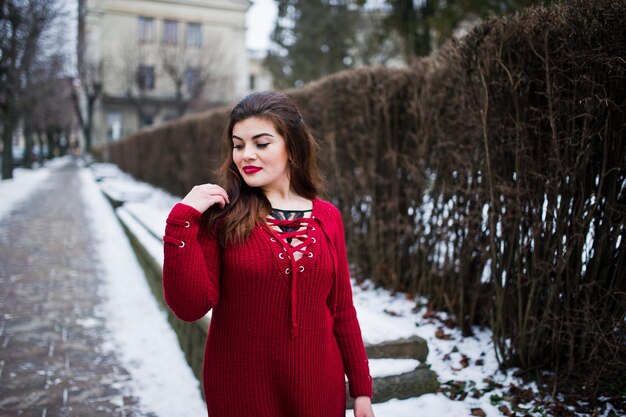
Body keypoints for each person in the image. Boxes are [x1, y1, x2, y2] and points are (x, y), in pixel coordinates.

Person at [162, 91, 375, 417]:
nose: (246, 155)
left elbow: (342, 310)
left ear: (292, 146)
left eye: (261, 144)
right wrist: (180, 223)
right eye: (238, 144)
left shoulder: (328, 217)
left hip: (319, 390)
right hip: (242, 392)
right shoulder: (222, 217)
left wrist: (361, 391)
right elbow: (190, 307)